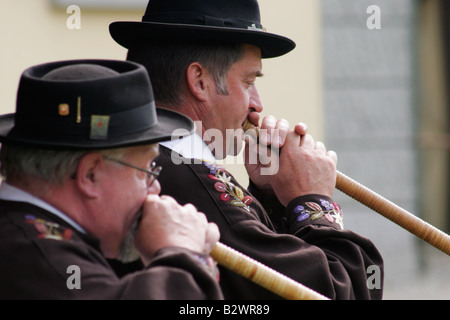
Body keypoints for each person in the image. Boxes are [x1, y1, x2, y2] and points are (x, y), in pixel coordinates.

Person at [109, 0, 384, 299]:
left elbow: (253, 280)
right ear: (199, 81)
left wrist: (270, 197)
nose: (257, 104)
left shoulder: (143, 157)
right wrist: (313, 202)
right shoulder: (193, 178)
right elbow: (340, 290)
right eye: (249, 81)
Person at [0, 59, 222, 299]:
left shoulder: (27, 239)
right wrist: (182, 253)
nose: (155, 188)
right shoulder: (41, 257)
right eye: (147, 169)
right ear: (90, 174)